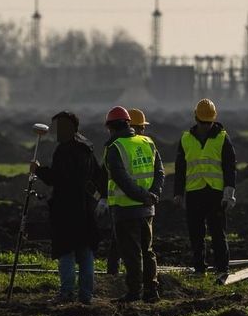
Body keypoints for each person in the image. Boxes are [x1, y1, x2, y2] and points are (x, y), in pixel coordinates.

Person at [29, 111, 103, 304]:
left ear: (70, 128)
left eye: (60, 128)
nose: (56, 132)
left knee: (66, 251)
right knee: (85, 251)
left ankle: (66, 293)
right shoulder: (87, 148)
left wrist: (38, 170)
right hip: (86, 209)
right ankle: (86, 295)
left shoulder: (64, 151)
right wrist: (97, 200)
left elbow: (58, 178)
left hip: (67, 209)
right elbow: (98, 176)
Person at [102, 106, 166, 303]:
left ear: (110, 127)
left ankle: (134, 292)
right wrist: (153, 194)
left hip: (125, 209)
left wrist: (143, 196)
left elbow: (122, 180)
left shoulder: (115, 148)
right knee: (147, 251)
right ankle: (151, 291)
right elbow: (160, 172)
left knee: (131, 253)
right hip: (147, 209)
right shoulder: (148, 142)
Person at [173, 98, 237, 277]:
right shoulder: (186, 139)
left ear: (213, 120)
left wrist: (229, 193)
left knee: (218, 233)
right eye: (203, 122)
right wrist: (178, 193)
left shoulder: (223, 138)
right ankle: (200, 269)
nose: (206, 126)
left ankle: (222, 269)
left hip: (216, 194)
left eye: (208, 123)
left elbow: (230, 167)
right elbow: (180, 168)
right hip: (194, 192)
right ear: (196, 119)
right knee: (196, 234)